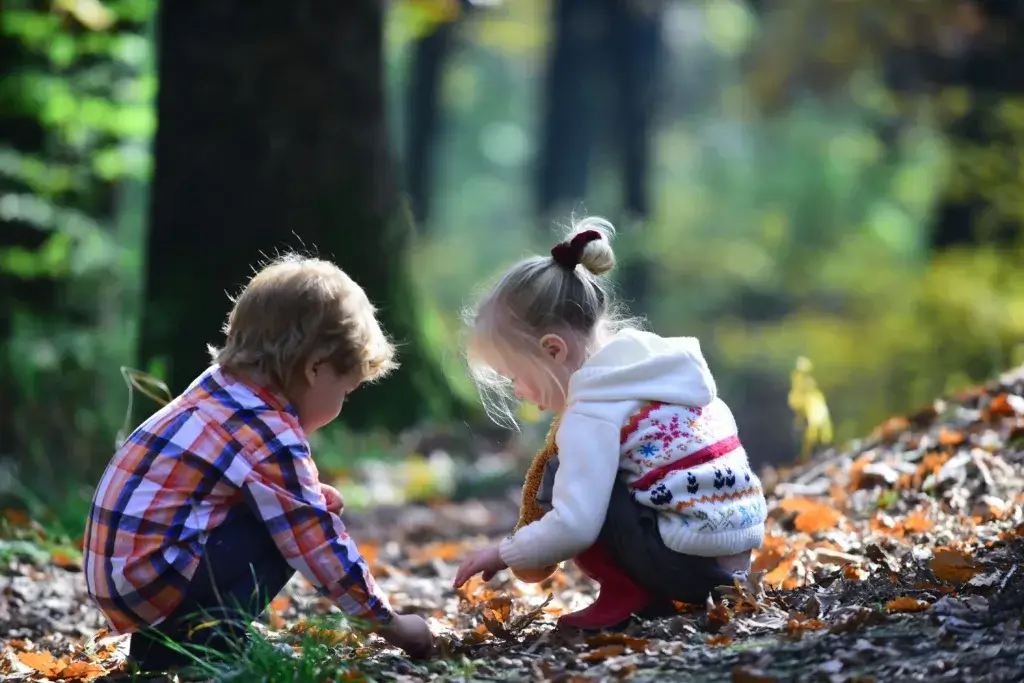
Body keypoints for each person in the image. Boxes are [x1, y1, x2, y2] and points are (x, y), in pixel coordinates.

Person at [83, 254, 434, 673]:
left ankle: (167, 644)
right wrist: (390, 625)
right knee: (302, 523)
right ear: (315, 368)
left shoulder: (218, 388)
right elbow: (316, 539)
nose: (343, 404)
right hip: (154, 581)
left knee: (301, 509)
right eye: (346, 391)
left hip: (125, 580)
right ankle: (208, 636)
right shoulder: (269, 432)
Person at [452, 217, 767, 630]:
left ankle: (628, 595)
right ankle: (650, 588)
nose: (517, 391)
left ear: (552, 350)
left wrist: (504, 553)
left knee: (562, 475)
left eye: (514, 376)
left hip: (690, 569)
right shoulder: (655, 368)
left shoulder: (592, 411)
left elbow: (575, 526)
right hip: (736, 560)